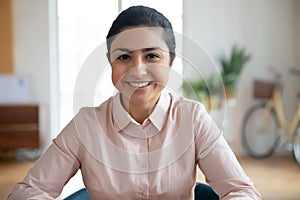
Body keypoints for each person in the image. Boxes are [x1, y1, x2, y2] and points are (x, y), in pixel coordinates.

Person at [8, 5, 261, 200]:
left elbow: (241, 191)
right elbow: (27, 191)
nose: (137, 71)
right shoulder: (86, 125)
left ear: (170, 63)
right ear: (111, 64)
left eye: (152, 55)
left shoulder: (193, 118)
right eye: (124, 57)